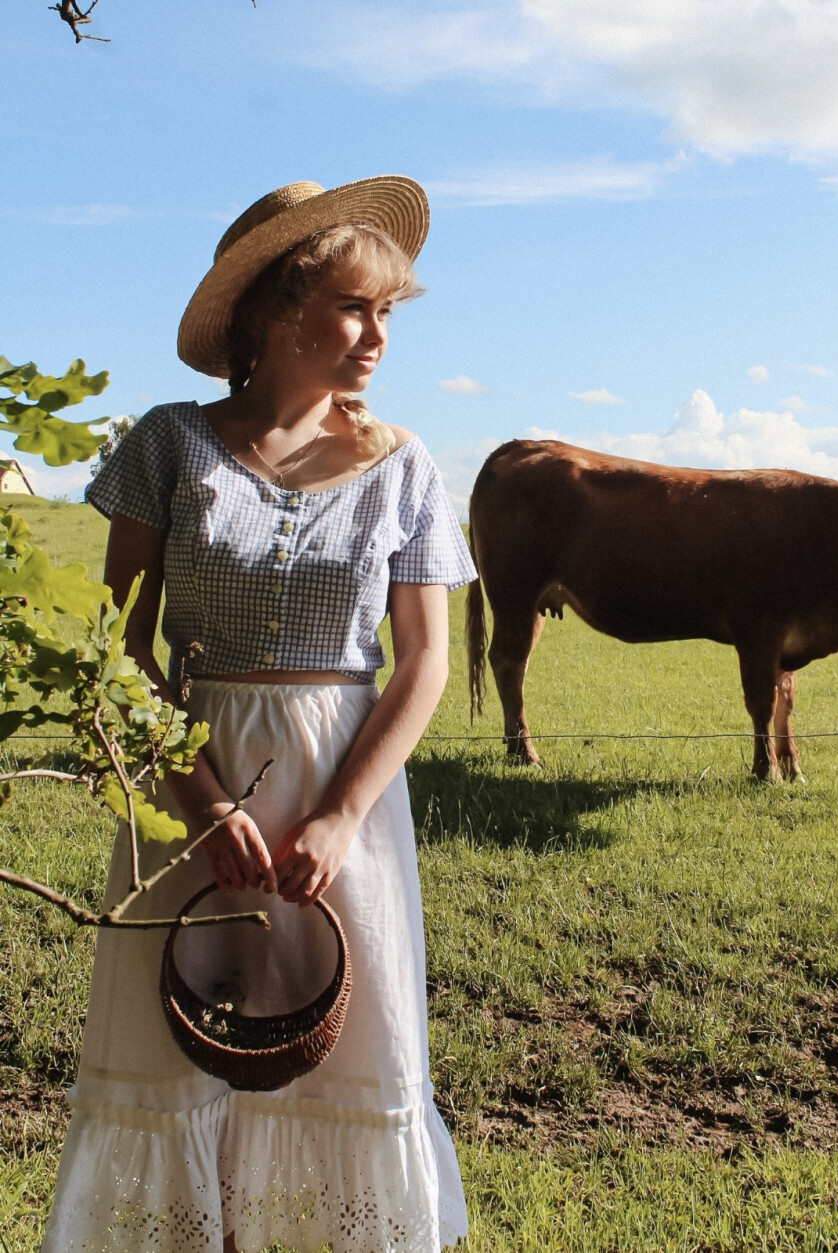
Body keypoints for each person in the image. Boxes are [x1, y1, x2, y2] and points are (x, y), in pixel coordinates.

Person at [42, 177, 476, 1253]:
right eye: (355, 306)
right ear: (277, 311)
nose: (379, 333)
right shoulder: (169, 444)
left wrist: (338, 817)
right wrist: (191, 798)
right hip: (192, 772)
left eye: (389, 311)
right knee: (183, 1038)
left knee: (342, 1043)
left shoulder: (405, 466)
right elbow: (121, 645)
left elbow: (421, 661)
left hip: (348, 788)